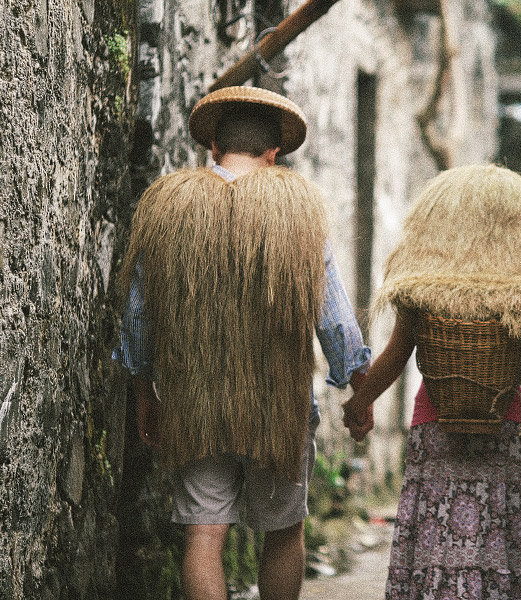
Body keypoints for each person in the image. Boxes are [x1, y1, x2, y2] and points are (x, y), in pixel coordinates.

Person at [113, 86, 372, 600]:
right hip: (278, 408)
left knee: (204, 534)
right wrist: (359, 393)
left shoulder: (167, 205)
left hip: (195, 403)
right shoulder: (299, 211)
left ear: (214, 147)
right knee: (281, 534)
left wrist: (145, 395)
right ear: (273, 154)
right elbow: (335, 319)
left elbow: (138, 317)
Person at [342, 164, 521, 600]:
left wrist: (361, 402)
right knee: (500, 538)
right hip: (507, 431)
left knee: (438, 535)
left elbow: (396, 354)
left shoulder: (424, 289)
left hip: (436, 427)